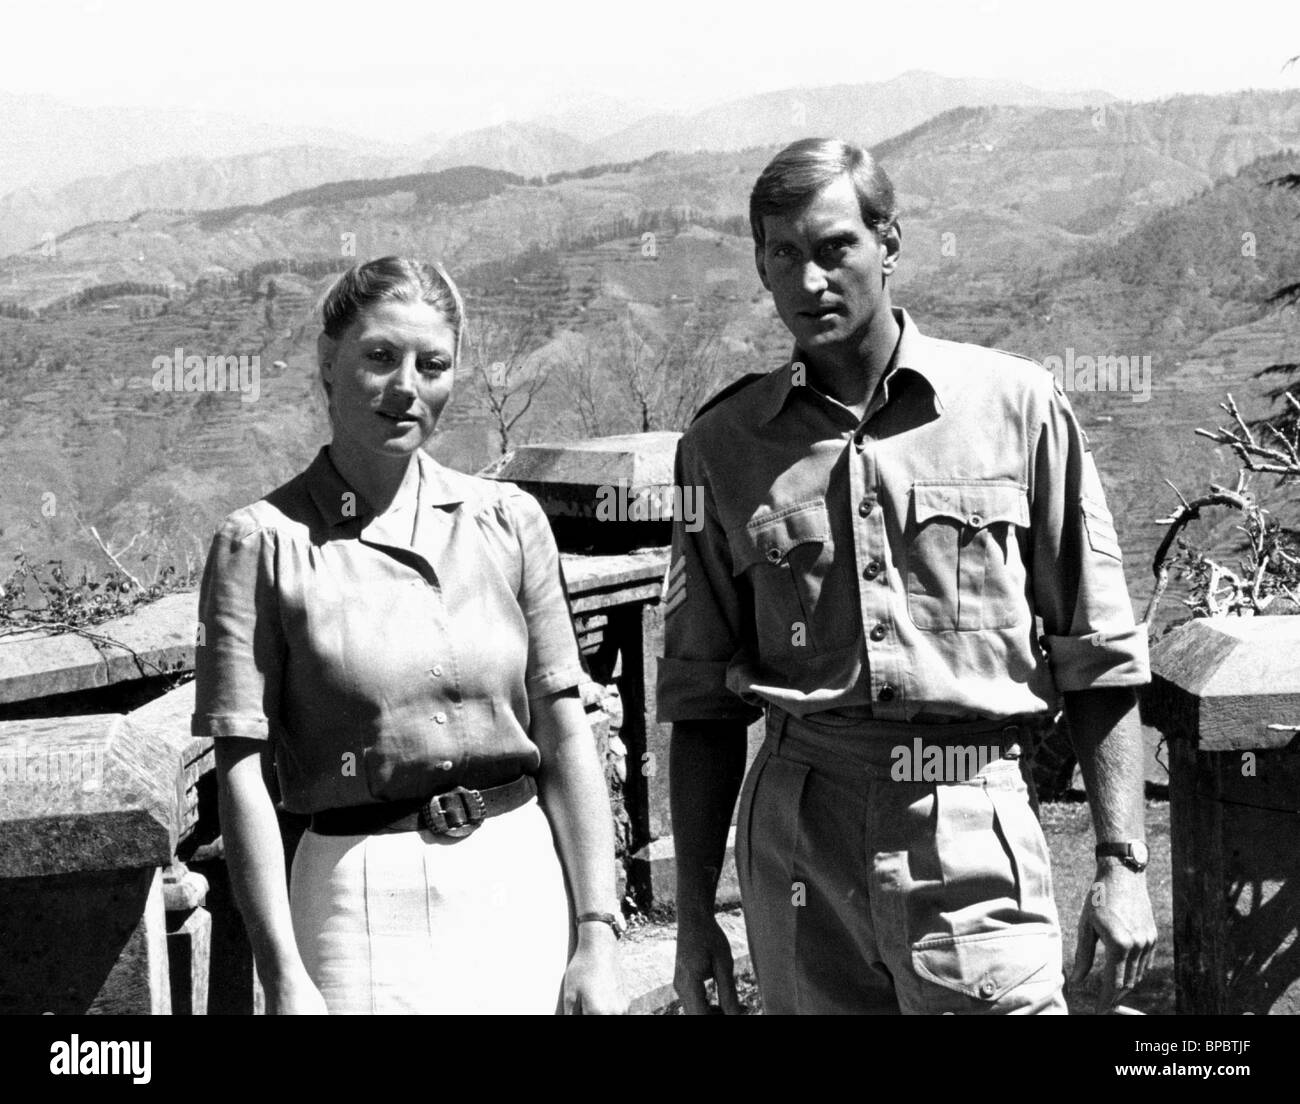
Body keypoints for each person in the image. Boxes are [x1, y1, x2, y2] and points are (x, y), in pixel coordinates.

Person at [661, 139, 1157, 1015]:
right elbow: (701, 700)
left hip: (970, 813)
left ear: (889, 241)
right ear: (760, 265)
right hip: (800, 832)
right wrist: (695, 917)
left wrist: (1121, 863)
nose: (810, 281)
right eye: (783, 255)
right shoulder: (723, 447)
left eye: (833, 248)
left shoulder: (1017, 408)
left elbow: (1097, 649)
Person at [194, 256, 627, 1015]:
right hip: (359, 900)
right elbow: (242, 775)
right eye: (379, 357)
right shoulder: (261, 546)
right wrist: (281, 970)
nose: (406, 388)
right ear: (328, 363)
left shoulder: (508, 522)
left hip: (518, 881)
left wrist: (597, 930)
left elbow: (564, 729)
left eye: (433, 364)